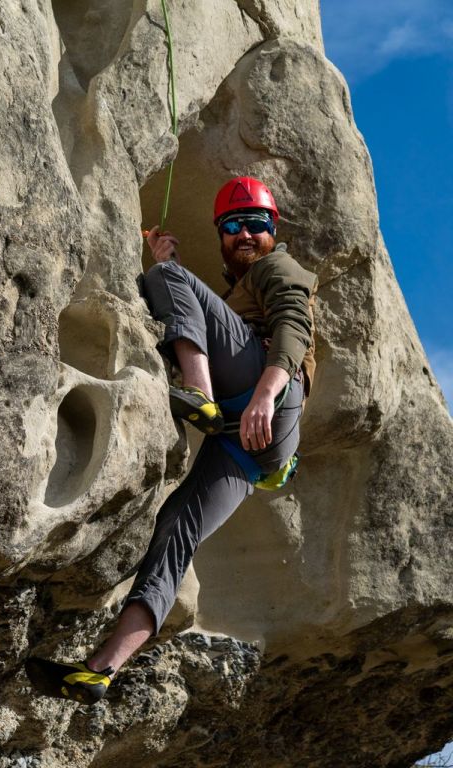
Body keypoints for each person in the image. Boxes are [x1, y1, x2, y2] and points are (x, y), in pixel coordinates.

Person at [25, 176, 319, 705]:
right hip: (248, 451)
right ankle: (101, 670)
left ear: (274, 230)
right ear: (222, 236)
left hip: (265, 398)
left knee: (165, 277)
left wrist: (263, 396)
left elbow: (293, 327)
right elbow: (201, 311)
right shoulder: (237, 291)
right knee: (174, 534)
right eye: (234, 226)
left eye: (257, 224)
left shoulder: (279, 269)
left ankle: (199, 391)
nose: (245, 235)